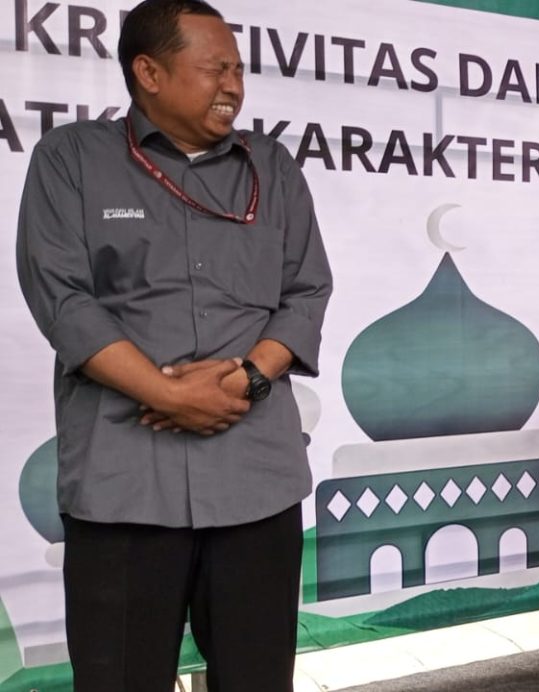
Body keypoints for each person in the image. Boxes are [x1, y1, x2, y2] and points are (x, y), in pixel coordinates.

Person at [13, 1, 333, 689]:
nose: (233, 86)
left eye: (239, 70)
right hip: (124, 485)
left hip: (256, 480)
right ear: (149, 72)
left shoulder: (272, 167)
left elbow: (307, 291)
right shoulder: (70, 160)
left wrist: (248, 379)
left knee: (257, 678)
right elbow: (62, 299)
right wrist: (166, 393)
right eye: (216, 69)